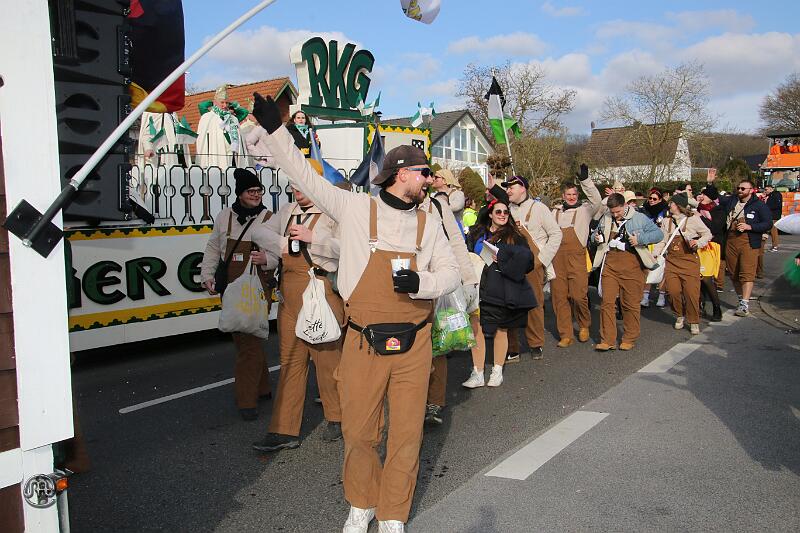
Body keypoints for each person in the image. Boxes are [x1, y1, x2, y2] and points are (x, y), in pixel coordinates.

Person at [251, 93, 460, 533]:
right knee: (360, 431)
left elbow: (451, 273)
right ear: (401, 174)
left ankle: (393, 513)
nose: (429, 179)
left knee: (407, 434)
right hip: (363, 340)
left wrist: (422, 284)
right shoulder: (355, 208)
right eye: (424, 172)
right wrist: (276, 131)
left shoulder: (429, 222)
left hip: (415, 343)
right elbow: (305, 177)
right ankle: (361, 502)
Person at [251, 170, 345, 451]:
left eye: (301, 184)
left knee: (327, 360)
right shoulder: (287, 211)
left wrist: (313, 238)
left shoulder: (333, 211)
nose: (296, 190)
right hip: (289, 294)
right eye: (293, 185)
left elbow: (347, 249)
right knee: (290, 362)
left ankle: (338, 416)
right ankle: (283, 430)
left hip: (320, 290)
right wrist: (283, 245)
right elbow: (258, 231)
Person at [200, 168, 281, 420]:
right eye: (250, 191)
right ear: (239, 194)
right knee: (248, 339)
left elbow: (281, 253)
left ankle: (246, 401)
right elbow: (213, 247)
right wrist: (207, 274)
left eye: (259, 191)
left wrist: (267, 259)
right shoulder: (224, 217)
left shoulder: (270, 218)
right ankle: (263, 387)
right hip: (230, 286)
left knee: (248, 341)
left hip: (258, 287)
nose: (256, 195)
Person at [462, 196, 536, 388]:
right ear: (490, 214)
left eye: (506, 212)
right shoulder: (477, 233)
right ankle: (478, 372)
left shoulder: (515, 236)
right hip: (476, 286)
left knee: (500, 329)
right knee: (476, 328)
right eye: (498, 212)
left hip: (500, 287)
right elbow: (466, 254)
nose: (503, 215)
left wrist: (502, 258)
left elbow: (528, 262)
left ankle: (497, 371)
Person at [420, 188, 479, 425]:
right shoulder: (389, 205)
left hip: (439, 286)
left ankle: (434, 402)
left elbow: (457, 244)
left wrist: (468, 280)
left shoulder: (437, 206)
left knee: (438, 344)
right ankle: (412, 400)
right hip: (407, 288)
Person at [591, 193, 663, 351]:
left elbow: (659, 234)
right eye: (612, 212)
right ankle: (607, 339)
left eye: (618, 211)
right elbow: (594, 234)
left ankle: (630, 337)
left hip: (632, 264)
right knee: (607, 303)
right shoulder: (606, 217)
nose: (615, 215)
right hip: (610, 263)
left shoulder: (639, 218)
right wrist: (595, 238)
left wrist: (640, 239)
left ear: (625, 205)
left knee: (630, 303)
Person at [504, 175, 562, 360]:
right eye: (506, 187)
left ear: (523, 188)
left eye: (511, 187)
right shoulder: (506, 209)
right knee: (509, 305)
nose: (508, 190)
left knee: (534, 304)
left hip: (532, 265)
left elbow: (556, 234)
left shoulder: (539, 208)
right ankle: (512, 347)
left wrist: (542, 261)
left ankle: (536, 344)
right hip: (510, 264)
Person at [549, 164, 602, 347]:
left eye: (574, 194)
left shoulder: (585, 210)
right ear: (563, 196)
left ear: (578, 195)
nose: (571, 197)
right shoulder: (554, 212)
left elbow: (597, 199)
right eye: (568, 194)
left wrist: (585, 180)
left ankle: (584, 324)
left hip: (577, 258)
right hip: (557, 259)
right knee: (559, 297)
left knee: (579, 295)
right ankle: (565, 334)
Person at [719, 179, 773, 317]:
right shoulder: (732, 201)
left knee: (747, 273)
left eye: (743, 188)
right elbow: (714, 198)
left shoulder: (759, 205)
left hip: (749, 241)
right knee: (733, 273)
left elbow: (768, 223)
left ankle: (745, 304)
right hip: (731, 240)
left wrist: (750, 226)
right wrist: (709, 183)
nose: (740, 190)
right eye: (738, 188)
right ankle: (740, 299)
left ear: (751, 190)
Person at [660, 194, 712, 335]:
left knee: (691, 293)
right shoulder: (666, 221)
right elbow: (662, 241)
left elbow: (707, 234)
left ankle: (694, 320)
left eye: (671, 203)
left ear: (678, 205)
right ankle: (679, 314)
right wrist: (655, 255)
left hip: (689, 261)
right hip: (672, 261)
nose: (669, 205)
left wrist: (698, 242)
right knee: (672, 291)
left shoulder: (693, 219)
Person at [196, 84, 250, 169]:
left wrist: (232, 104)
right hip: (216, 158)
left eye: (227, 103)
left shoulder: (233, 118)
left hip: (234, 157)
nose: (225, 105)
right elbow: (201, 141)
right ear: (215, 102)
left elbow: (244, 112)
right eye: (222, 102)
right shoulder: (208, 117)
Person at [696, 183, 725, 321]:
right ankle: (699, 306)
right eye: (701, 194)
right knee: (698, 277)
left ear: (711, 197)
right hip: (698, 245)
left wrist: (700, 217)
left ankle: (716, 307)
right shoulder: (698, 208)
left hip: (711, 245)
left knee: (706, 277)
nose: (701, 197)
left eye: (704, 195)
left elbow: (715, 228)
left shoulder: (718, 210)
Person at [640, 188, 669, 308]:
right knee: (647, 268)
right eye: (650, 198)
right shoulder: (644, 209)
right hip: (648, 241)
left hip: (660, 241)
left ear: (660, 199)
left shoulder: (665, 211)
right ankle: (645, 296)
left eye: (654, 199)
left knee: (661, 268)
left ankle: (661, 295)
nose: (651, 200)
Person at [764, 184, 783, 251]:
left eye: (766, 189)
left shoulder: (776, 194)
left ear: (771, 189)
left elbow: (778, 205)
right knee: (765, 231)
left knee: (773, 231)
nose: (765, 191)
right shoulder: (769, 196)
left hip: (774, 216)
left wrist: (767, 206)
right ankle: (761, 246)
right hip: (769, 216)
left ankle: (775, 246)